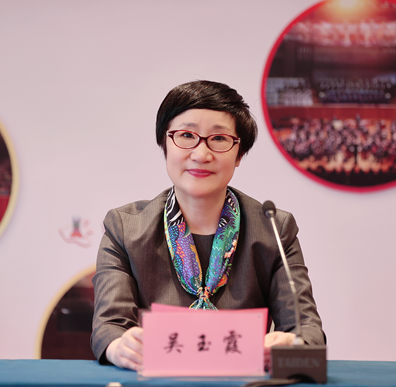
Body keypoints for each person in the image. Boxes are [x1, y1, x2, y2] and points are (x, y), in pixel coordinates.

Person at [91, 80, 324, 371]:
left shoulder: (274, 229)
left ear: (239, 154)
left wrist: (292, 346)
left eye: (219, 139)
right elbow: (109, 327)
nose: (201, 154)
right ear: (164, 144)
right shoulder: (125, 228)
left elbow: (308, 333)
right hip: (155, 386)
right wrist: (119, 347)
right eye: (186, 135)